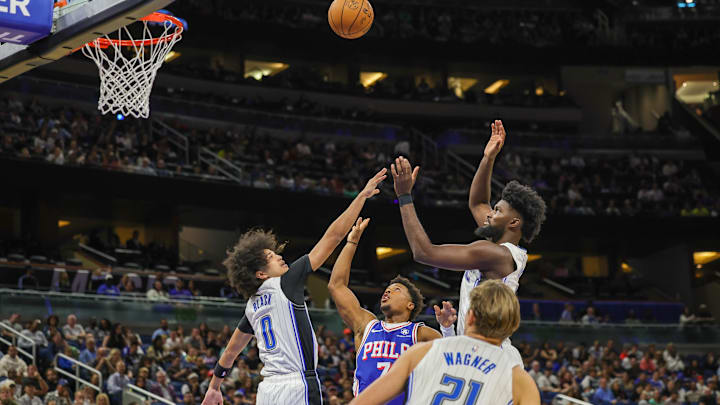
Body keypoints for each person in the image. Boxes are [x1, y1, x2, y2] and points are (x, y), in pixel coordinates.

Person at [200, 169, 386, 405]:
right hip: (297, 386)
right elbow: (332, 237)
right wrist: (361, 197)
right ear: (260, 273)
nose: (279, 258)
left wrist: (215, 386)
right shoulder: (285, 283)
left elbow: (230, 353)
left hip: (267, 392)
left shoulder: (252, 307)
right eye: (271, 257)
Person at [390, 121, 546, 352]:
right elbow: (478, 202)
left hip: (488, 353)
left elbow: (424, 252)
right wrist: (488, 158)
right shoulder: (500, 244)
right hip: (479, 348)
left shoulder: (494, 254)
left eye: (498, 211)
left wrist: (404, 197)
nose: (490, 213)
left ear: (513, 223)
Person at [349, 280, 540, 405]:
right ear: (514, 325)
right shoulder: (520, 381)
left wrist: (448, 329)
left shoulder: (422, 353)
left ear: (470, 317)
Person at [327, 217, 441, 404]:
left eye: (396, 290)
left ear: (410, 305)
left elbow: (455, 359)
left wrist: (446, 328)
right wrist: (352, 242)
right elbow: (336, 286)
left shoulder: (421, 333)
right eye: (387, 289)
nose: (388, 291)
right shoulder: (367, 326)